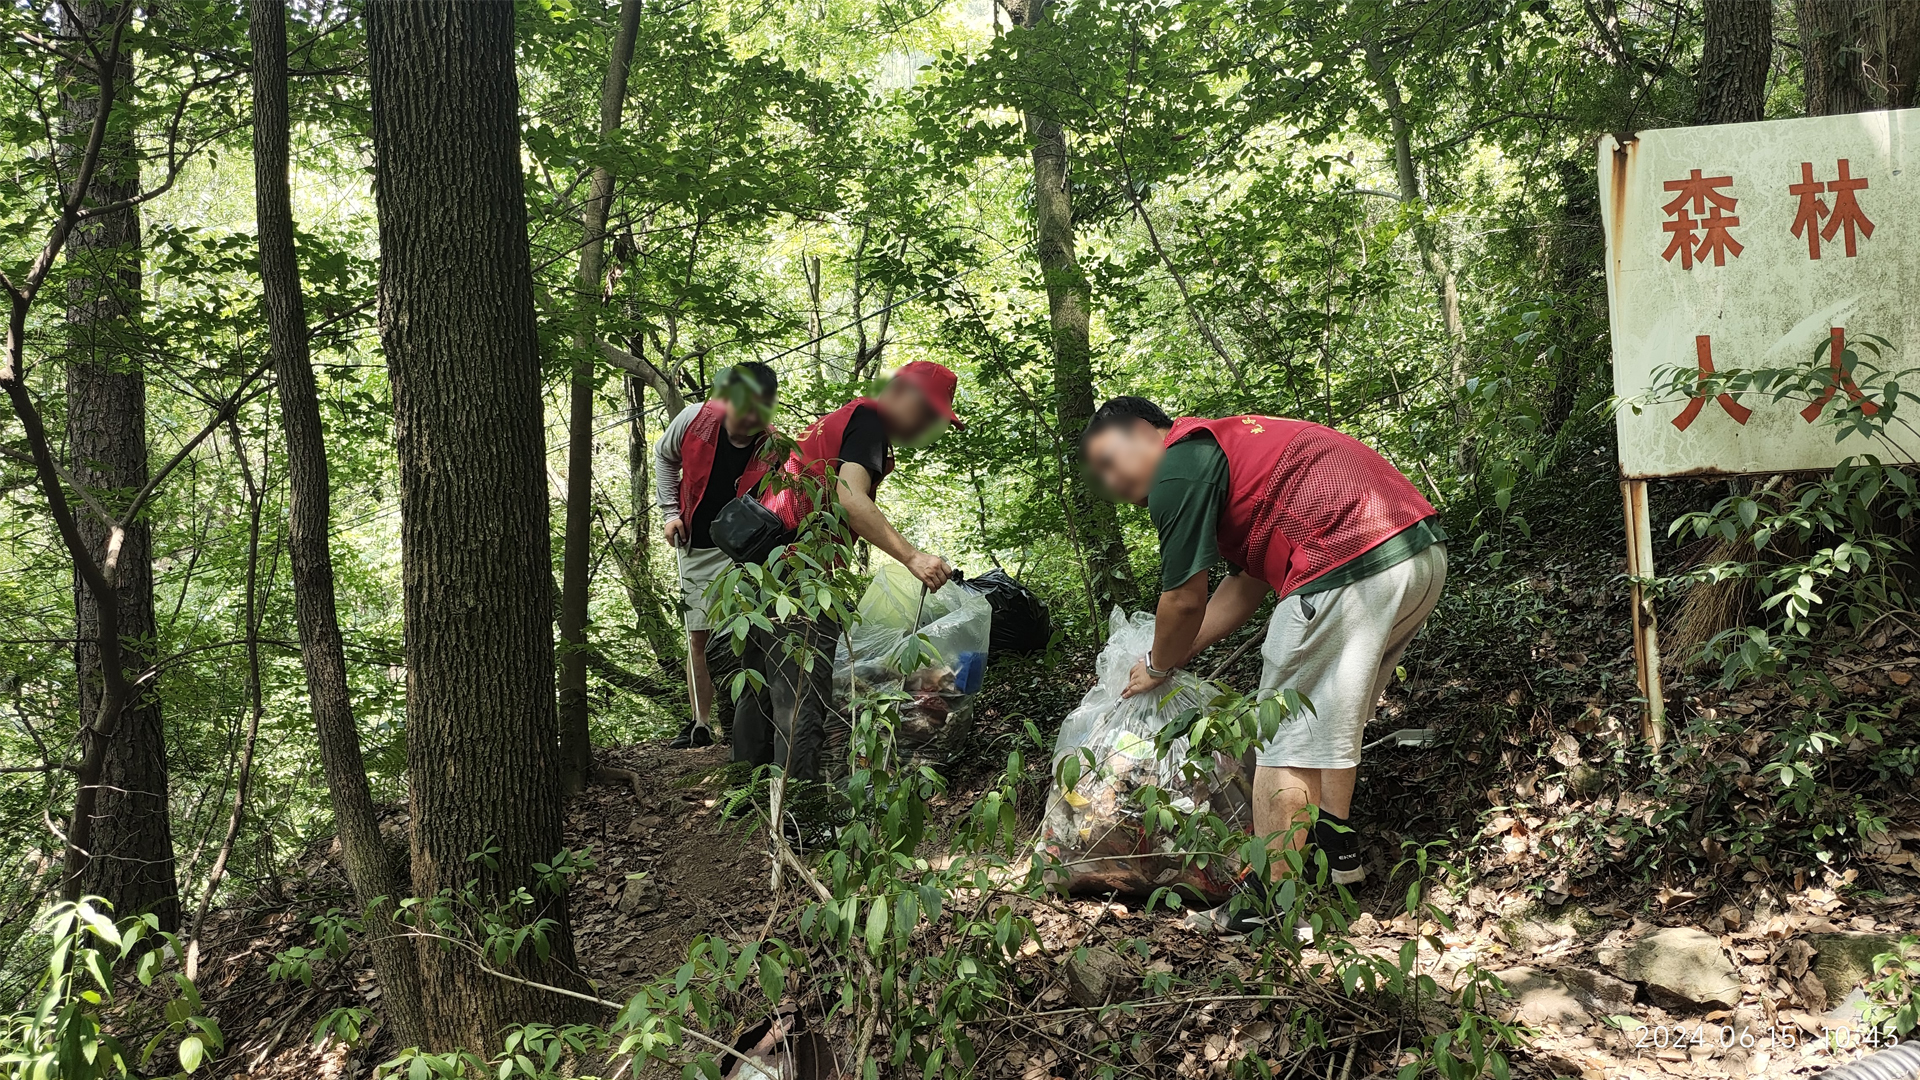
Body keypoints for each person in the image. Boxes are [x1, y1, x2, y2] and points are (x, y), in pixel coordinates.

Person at [1080, 396, 1446, 893]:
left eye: (1109, 462)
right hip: (1415, 554)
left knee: (1284, 737)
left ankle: (1273, 900)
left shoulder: (1177, 467)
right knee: (1329, 724)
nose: (1111, 484)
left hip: (1342, 558)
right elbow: (1245, 587)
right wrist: (1180, 653)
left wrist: (1157, 664)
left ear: (1147, 431)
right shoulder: (1226, 451)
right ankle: (1335, 865)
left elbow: (1184, 599)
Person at [733, 361, 963, 786]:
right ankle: (797, 821)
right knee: (802, 697)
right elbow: (850, 499)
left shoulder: (844, 418)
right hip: (795, 574)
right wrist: (913, 557)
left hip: (755, 567)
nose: (929, 426)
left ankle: (749, 801)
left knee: (762, 688)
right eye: (927, 412)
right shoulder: (869, 422)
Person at [654, 362, 781, 749]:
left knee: (751, 629)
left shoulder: (773, 443)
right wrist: (669, 513)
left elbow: (782, 494)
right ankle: (700, 724)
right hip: (697, 542)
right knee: (699, 634)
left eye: (757, 414)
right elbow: (664, 456)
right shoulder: (695, 419)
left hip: (745, 547)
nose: (747, 423)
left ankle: (752, 724)